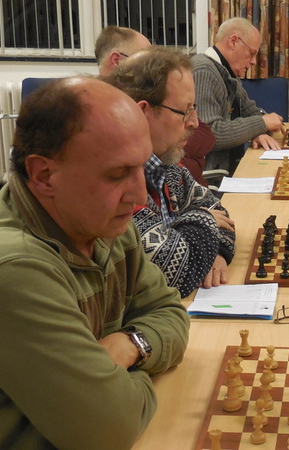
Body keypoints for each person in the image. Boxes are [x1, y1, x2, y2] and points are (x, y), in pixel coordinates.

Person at [0, 78, 190, 449]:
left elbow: (170, 313)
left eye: (141, 168)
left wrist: (131, 344)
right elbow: (108, 428)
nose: (139, 196)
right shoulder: (9, 271)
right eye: (117, 174)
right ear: (44, 175)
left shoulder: (103, 224)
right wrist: (122, 382)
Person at [106, 47, 236, 297]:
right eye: (185, 111)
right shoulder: (117, 179)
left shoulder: (167, 166)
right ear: (142, 112)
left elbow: (219, 213)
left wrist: (217, 252)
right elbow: (173, 272)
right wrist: (203, 219)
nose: (194, 122)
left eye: (194, 108)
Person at [191, 17, 285, 173]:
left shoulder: (227, 72)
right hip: (211, 176)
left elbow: (252, 112)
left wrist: (258, 130)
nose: (254, 62)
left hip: (229, 167)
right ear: (233, 41)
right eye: (251, 53)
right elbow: (209, 134)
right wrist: (261, 124)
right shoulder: (204, 71)